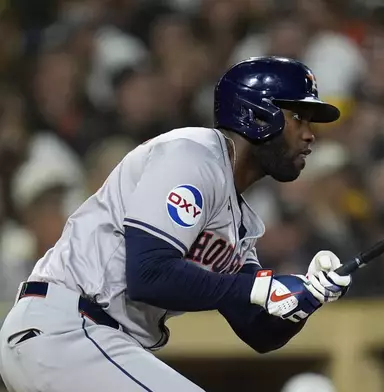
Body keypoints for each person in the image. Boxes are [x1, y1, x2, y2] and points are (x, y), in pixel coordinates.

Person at [0, 56, 353, 392]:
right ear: (259, 115)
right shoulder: (192, 153)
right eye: (299, 118)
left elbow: (257, 331)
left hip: (93, 345)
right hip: (67, 329)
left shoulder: (241, 222)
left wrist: (307, 297)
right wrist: (261, 289)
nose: (309, 135)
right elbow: (148, 274)